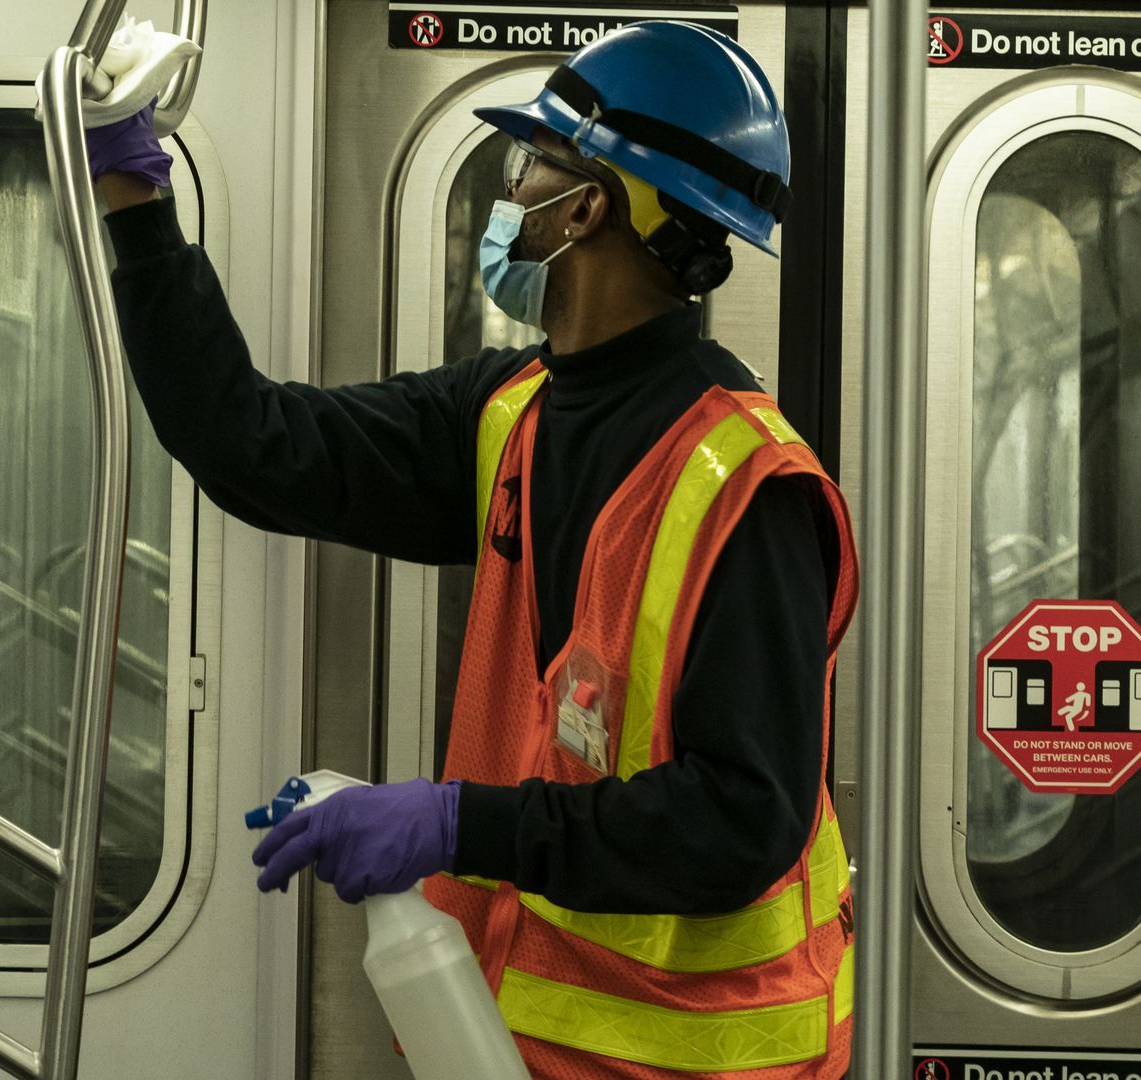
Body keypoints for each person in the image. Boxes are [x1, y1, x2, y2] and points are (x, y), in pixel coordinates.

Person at [89, 21, 858, 1078]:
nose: (515, 189)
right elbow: (250, 445)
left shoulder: (749, 492)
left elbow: (740, 824)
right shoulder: (513, 415)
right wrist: (137, 197)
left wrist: (457, 825)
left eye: (532, 161)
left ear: (590, 204)